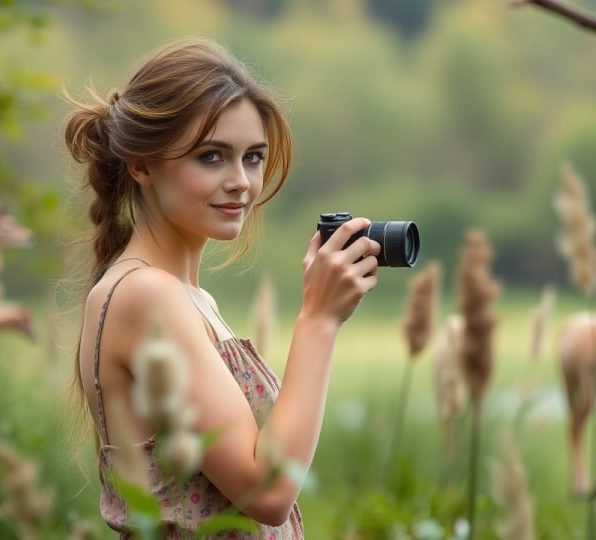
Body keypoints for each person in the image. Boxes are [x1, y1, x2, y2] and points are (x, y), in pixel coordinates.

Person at [64, 37, 380, 539]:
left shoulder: (189, 299)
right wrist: (319, 320)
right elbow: (268, 493)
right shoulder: (145, 296)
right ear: (142, 165)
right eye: (212, 157)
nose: (241, 182)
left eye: (252, 158)